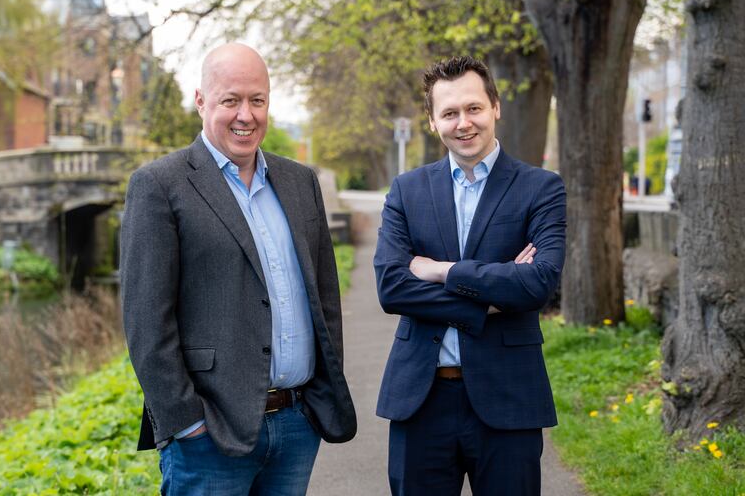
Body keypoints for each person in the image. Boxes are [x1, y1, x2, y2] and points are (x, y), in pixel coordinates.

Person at [120, 42, 356, 495]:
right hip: (209, 437)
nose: (245, 114)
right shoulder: (159, 186)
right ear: (202, 101)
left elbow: (324, 296)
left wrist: (318, 399)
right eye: (230, 100)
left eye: (257, 100)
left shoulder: (299, 182)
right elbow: (146, 321)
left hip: (296, 425)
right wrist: (186, 422)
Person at [373, 56, 566, 495]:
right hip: (420, 401)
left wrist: (443, 271)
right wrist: (489, 300)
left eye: (474, 108)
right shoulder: (407, 190)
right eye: (450, 113)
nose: (464, 123)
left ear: (495, 107)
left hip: (509, 399)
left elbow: (538, 284)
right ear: (432, 120)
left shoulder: (541, 188)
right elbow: (392, 287)